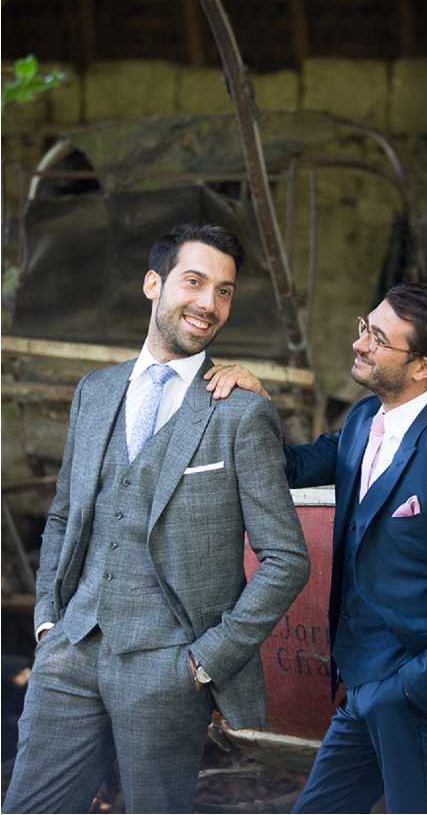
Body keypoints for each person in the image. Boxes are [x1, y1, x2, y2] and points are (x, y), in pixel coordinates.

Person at [4, 222, 309, 815]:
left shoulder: (240, 414)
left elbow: (286, 558)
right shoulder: (95, 391)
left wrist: (203, 663)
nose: (208, 303)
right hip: (70, 650)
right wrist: (48, 622)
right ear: (153, 283)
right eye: (194, 282)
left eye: (224, 291)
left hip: (168, 669)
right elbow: (65, 515)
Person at [205, 282, 427, 814]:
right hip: (361, 685)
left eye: (377, 337)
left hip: (415, 698)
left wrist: (412, 689)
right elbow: (294, 468)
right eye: (363, 326)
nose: (360, 343)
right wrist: (256, 405)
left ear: (423, 366)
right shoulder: (363, 419)